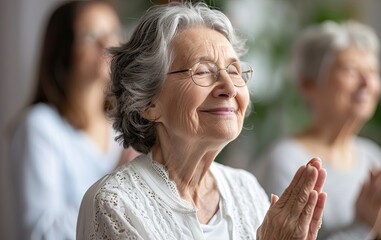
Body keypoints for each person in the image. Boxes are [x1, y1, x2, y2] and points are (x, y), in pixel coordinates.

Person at [77, 2, 328, 239]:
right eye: (203, 71)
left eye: (234, 71)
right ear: (148, 103)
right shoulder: (116, 202)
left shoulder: (245, 188)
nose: (229, 88)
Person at [255, 20, 381, 239]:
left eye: (372, 71)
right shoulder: (286, 161)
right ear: (308, 84)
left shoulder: (372, 156)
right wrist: (362, 227)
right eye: (351, 71)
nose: (367, 82)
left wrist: (379, 230)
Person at [5, 1, 137, 239]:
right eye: (90, 35)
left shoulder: (119, 127)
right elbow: (40, 231)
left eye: (112, 33)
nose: (106, 44)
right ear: (63, 48)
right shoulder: (39, 126)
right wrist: (114, 183)